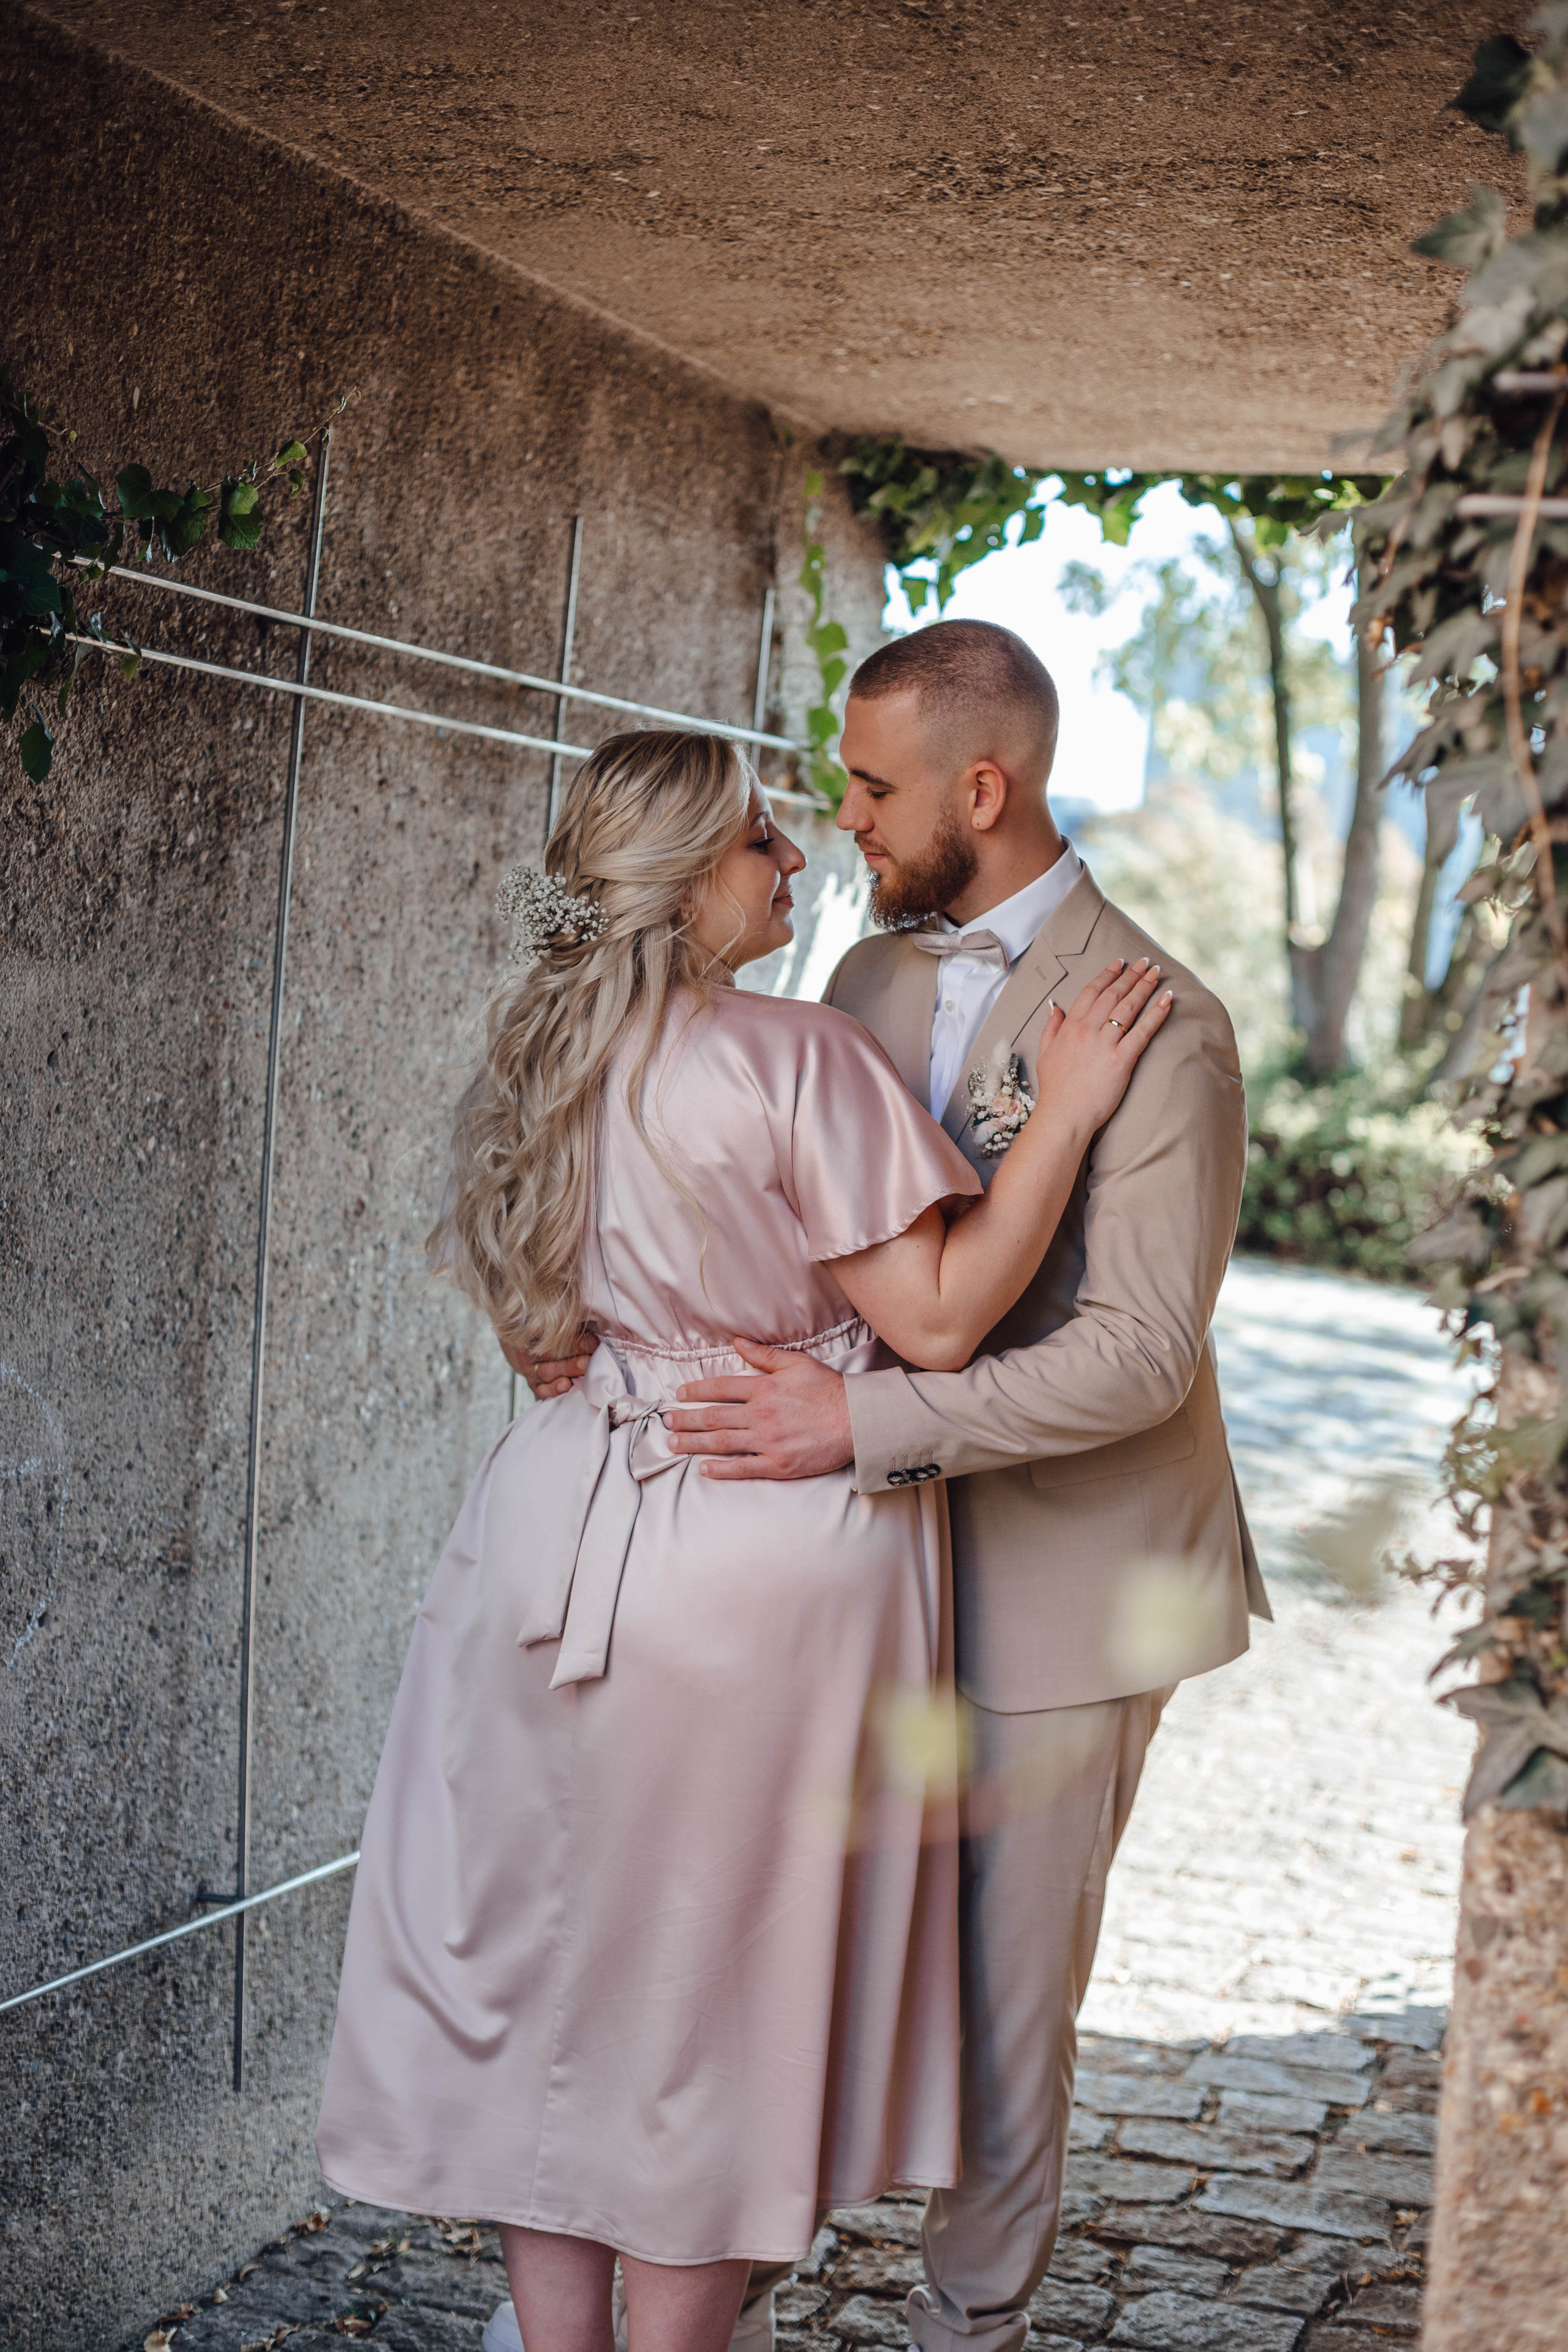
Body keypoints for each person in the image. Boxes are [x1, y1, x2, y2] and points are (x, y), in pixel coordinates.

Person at [314, 725, 1172, 2352]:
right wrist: (1062, 1112)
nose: (795, 865)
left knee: (555, 1974)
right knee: (704, 1998)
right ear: (680, 877)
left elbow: (549, 1331)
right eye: (760, 843)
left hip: (552, 1537)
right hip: (755, 1560)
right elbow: (934, 1323)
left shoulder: (544, 1056)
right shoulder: (795, 1057)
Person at [529, 623, 1268, 2352]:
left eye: (871, 786)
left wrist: (850, 1434)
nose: (842, 817)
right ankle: (722, 2296)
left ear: (982, 789)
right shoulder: (859, 983)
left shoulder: (1167, 1030)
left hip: (1061, 1596)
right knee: (795, 1962)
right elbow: (779, 1211)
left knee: (1003, 2023)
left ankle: (967, 2329)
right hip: (841, 1582)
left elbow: (1143, 1356)